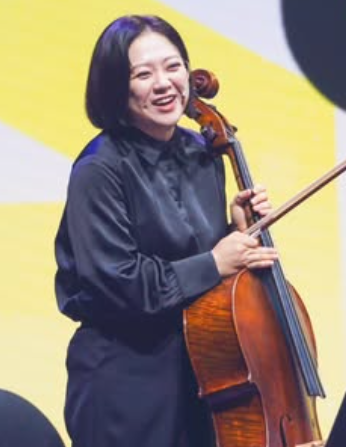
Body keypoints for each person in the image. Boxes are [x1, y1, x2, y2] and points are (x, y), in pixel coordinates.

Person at [54, 14, 278, 447]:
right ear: (116, 87)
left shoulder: (203, 152)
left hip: (203, 374)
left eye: (173, 67)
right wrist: (215, 261)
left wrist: (233, 230)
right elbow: (120, 283)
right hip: (126, 384)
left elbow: (197, 262)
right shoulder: (99, 169)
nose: (164, 84)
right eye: (143, 74)